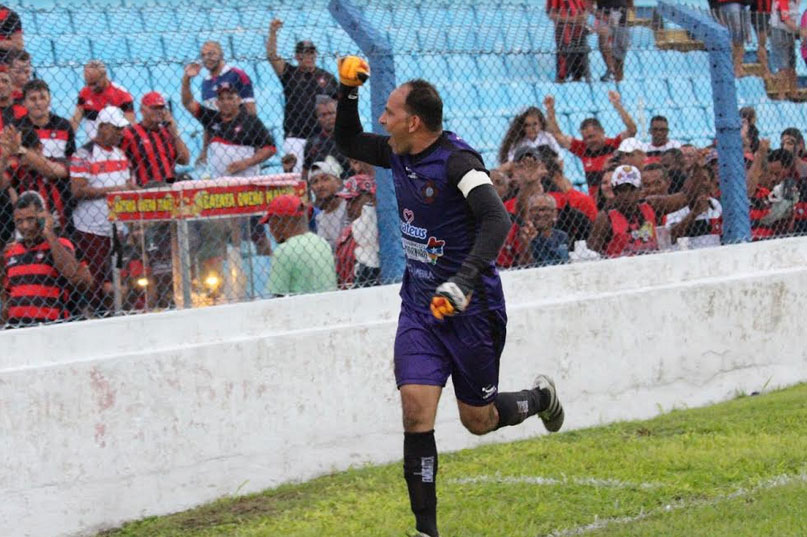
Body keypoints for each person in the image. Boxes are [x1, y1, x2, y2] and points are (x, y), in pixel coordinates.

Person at [333, 56, 565, 537]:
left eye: (390, 112)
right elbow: (349, 141)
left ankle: (540, 398)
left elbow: (496, 219)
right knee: (416, 412)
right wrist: (347, 91)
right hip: (420, 305)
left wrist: (462, 280)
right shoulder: (398, 153)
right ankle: (426, 530)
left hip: (471, 309)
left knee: (477, 421)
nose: (383, 119)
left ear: (413, 122)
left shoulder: (459, 162)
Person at [70, 106, 136, 314]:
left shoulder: (120, 154)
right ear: (103, 127)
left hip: (116, 230)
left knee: (120, 280)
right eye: (116, 128)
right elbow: (78, 190)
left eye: (121, 129)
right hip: (91, 231)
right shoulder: (84, 154)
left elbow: (128, 186)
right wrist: (114, 190)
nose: (120, 133)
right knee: (98, 284)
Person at [1, 191, 92, 328]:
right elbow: (7, 295)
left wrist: (49, 233)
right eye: (19, 221)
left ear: (42, 217)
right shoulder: (11, 252)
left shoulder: (60, 245)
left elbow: (73, 274)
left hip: (52, 326)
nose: (25, 226)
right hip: (17, 328)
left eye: (30, 219)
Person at [267, 19, 338, 173]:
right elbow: (272, 56)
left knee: (323, 176)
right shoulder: (290, 73)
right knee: (297, 178)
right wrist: (273, 32)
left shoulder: (328, 77)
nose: (309, 56)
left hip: (321, 137)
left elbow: (338, 105)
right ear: (297, 56)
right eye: (305, 53)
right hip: (296, 137)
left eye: (311, 52)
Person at [182, 68, 276, 179]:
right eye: (221, 99)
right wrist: (186, 79)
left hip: (247, 180)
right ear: (217, 103)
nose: (226, 102)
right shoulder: (211, 117)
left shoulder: (250, 120)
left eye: (230, 98)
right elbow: (188, 103)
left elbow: (270, 148)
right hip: (219, 183)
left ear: (239, 100)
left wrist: (246, 163)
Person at [544, 91, 636, 198]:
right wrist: (550, 110)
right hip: (597, 201)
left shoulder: (614, 144)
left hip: (617, 196)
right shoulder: (582, 149)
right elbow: (557, 135)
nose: (589, 141)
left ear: (602, 132)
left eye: (592, 136)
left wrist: (617, 105)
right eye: (586, 138)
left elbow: (632, 129)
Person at [13, 79, 76, 231]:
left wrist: (28, 156)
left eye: (42, 98)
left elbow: (70, 163)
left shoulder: (64, 126)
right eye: (32, 99)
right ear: (24, 103)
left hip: (60, 199)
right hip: (26, 197)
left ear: (49, 99)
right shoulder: (16, 128)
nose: (38, 103)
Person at [587, 164, 690, 257]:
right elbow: (592, 253)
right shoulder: (605, 217)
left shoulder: (652, 205)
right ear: (614, 191)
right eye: (621, 190)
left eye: (631, 190)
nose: (626, 195)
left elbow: (687, 196)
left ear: (640, 190)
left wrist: (698, 167)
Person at [260, 193, 337, 296]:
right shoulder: (322, 243)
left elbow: (278, 297)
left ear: (280, 222)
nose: (270, 229)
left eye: (270, 222)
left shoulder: (283, 251)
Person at [195, 40, 257, 167]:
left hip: (241, 142)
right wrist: (204, 151)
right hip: (217, 146)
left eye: (211, 53)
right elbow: (208, 121)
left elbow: (251, 111)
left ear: (221, 54)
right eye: (204, 55)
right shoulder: (205, 83)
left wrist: (255, 141)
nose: (207, 58)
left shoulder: (237, 75)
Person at [121, 91, 190, 186]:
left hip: (170, 187)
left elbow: (185, 160)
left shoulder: (168, 132)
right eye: (153, 108)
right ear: (142, 110)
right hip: (145, 189)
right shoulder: (130, 133)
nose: (159, 111)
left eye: (161, 108)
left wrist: (174, 132)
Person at [70, 60, 135, 141]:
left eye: (95, 83)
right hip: (92, 144)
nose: (91, 88)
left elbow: (130, 125)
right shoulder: (85, 92)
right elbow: (75, 120)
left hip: (115, 143)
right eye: (88, 83)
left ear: (104, 76)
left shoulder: (122, 95)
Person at [334, 174, 380, 288]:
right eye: (347, 201)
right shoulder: (347, 232)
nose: (348, 207)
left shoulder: (381, 231)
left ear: (371, 199)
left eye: (353, 200)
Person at [497, 106, 563, 167]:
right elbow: (511, 162)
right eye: (527, 125)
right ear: (522, 127)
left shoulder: (547, 137)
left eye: (535, 124)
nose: (532, 128)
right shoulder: (518, 142)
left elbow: (560, 159)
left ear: (540, 124)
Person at [303, 96, 350, 181]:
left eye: (331, 113)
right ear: (318, 118)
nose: (328, 118)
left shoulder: (351, 138)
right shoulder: (312, 143)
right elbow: (305, 172)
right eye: (323, 115)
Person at [309, 155, 348, 250]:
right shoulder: (319, 219)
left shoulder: (349, 208)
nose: (320, 185)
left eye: (325, 179)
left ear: (338, 182)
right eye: (315, 182)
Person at [547, 0, 590, 83]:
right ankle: (561, 80)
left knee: (581, 56)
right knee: (564, 55)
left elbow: (586, 9)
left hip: (579, 29)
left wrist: (584, 16)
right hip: (564, 31)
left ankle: (578, 79)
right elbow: (551, 14)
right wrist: (570, 19)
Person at [593, 0, 631, 82]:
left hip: (621, 22)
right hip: (604, 20)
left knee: (620, 53)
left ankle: (618, 78)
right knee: (604, 43)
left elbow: (630, 4)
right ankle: (611, 68)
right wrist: (603, 16)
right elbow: (588, 6)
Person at [770, 0, 800, 96]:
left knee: (792, 65)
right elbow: (785, 19)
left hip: (790, 32)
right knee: (782, 66)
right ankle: (781, 95)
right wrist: (802, 31)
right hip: (779, 31)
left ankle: (794, 93)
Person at [750, 0, 773, 78]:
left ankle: (765, 68)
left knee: (766, 43)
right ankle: (765, 69)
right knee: (762, 43)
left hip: (770, 12)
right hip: (759, 12)